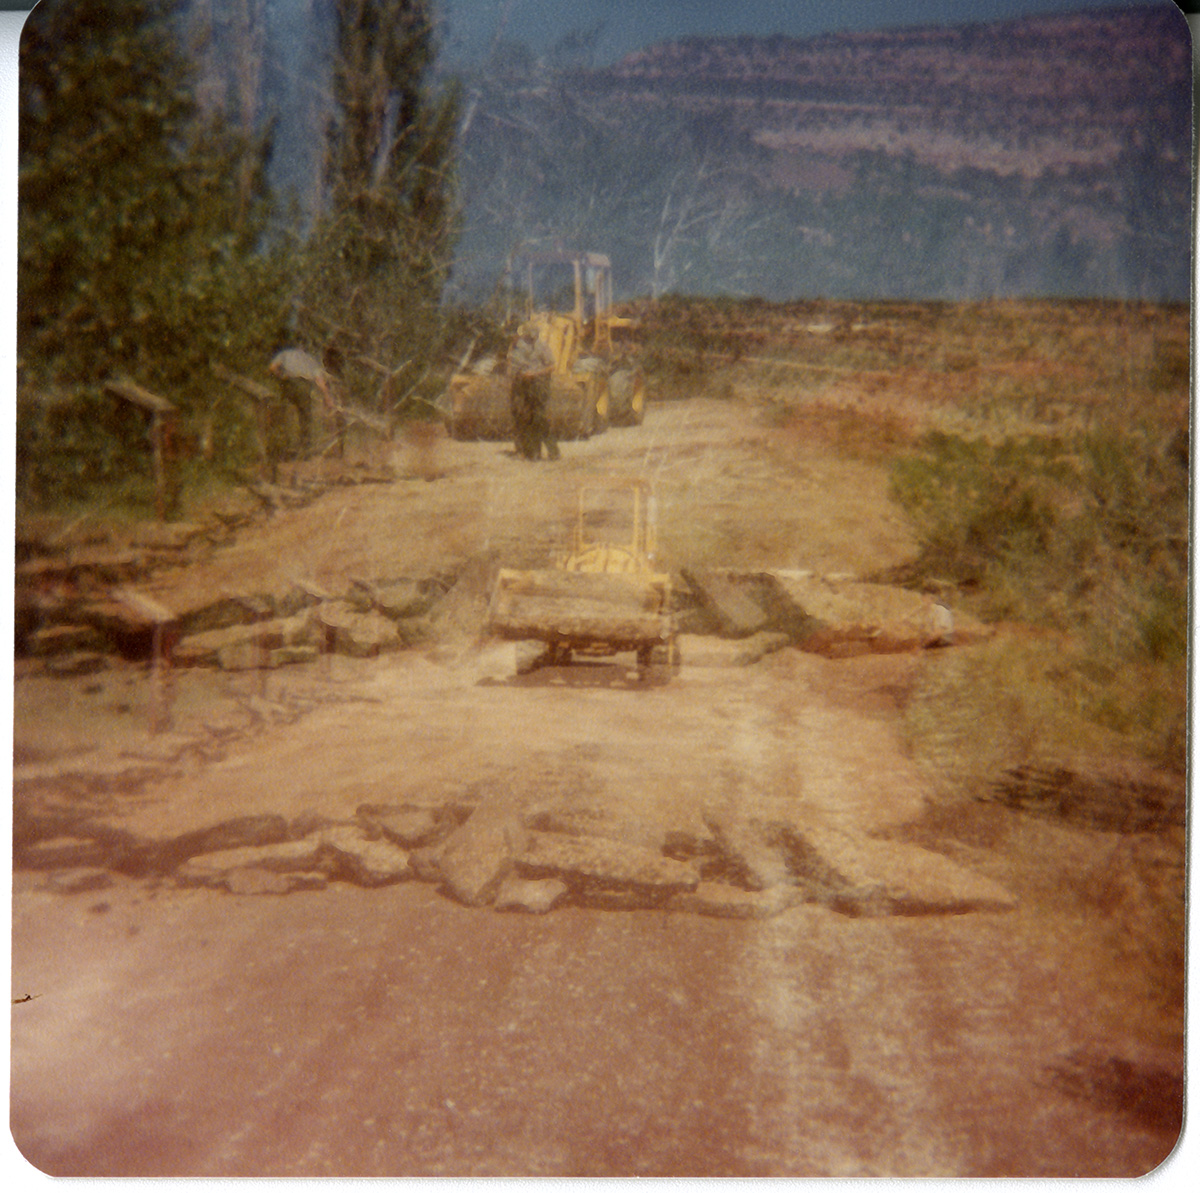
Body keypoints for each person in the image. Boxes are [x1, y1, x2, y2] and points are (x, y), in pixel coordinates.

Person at [268, 347, 335, 459]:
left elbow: (272, 367)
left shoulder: (285, 353)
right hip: (303, 387)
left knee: (285, 414)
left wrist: (280, 375)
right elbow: (320, 381)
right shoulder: (309, 359)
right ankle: (305, 450)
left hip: (288, 385)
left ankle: (283, 447)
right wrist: (327, 397)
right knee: (305, 417)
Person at [508, 322, 559, 461]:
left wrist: (536, 374)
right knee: (527, 420)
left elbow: (552, 366)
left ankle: (552, 452)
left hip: (539, 386)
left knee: (539, 418)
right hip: (523, 386)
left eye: (533, 334)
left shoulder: (542, 346)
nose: (531, 336)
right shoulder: (518, 348)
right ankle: (533, 453)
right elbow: (514, 368)